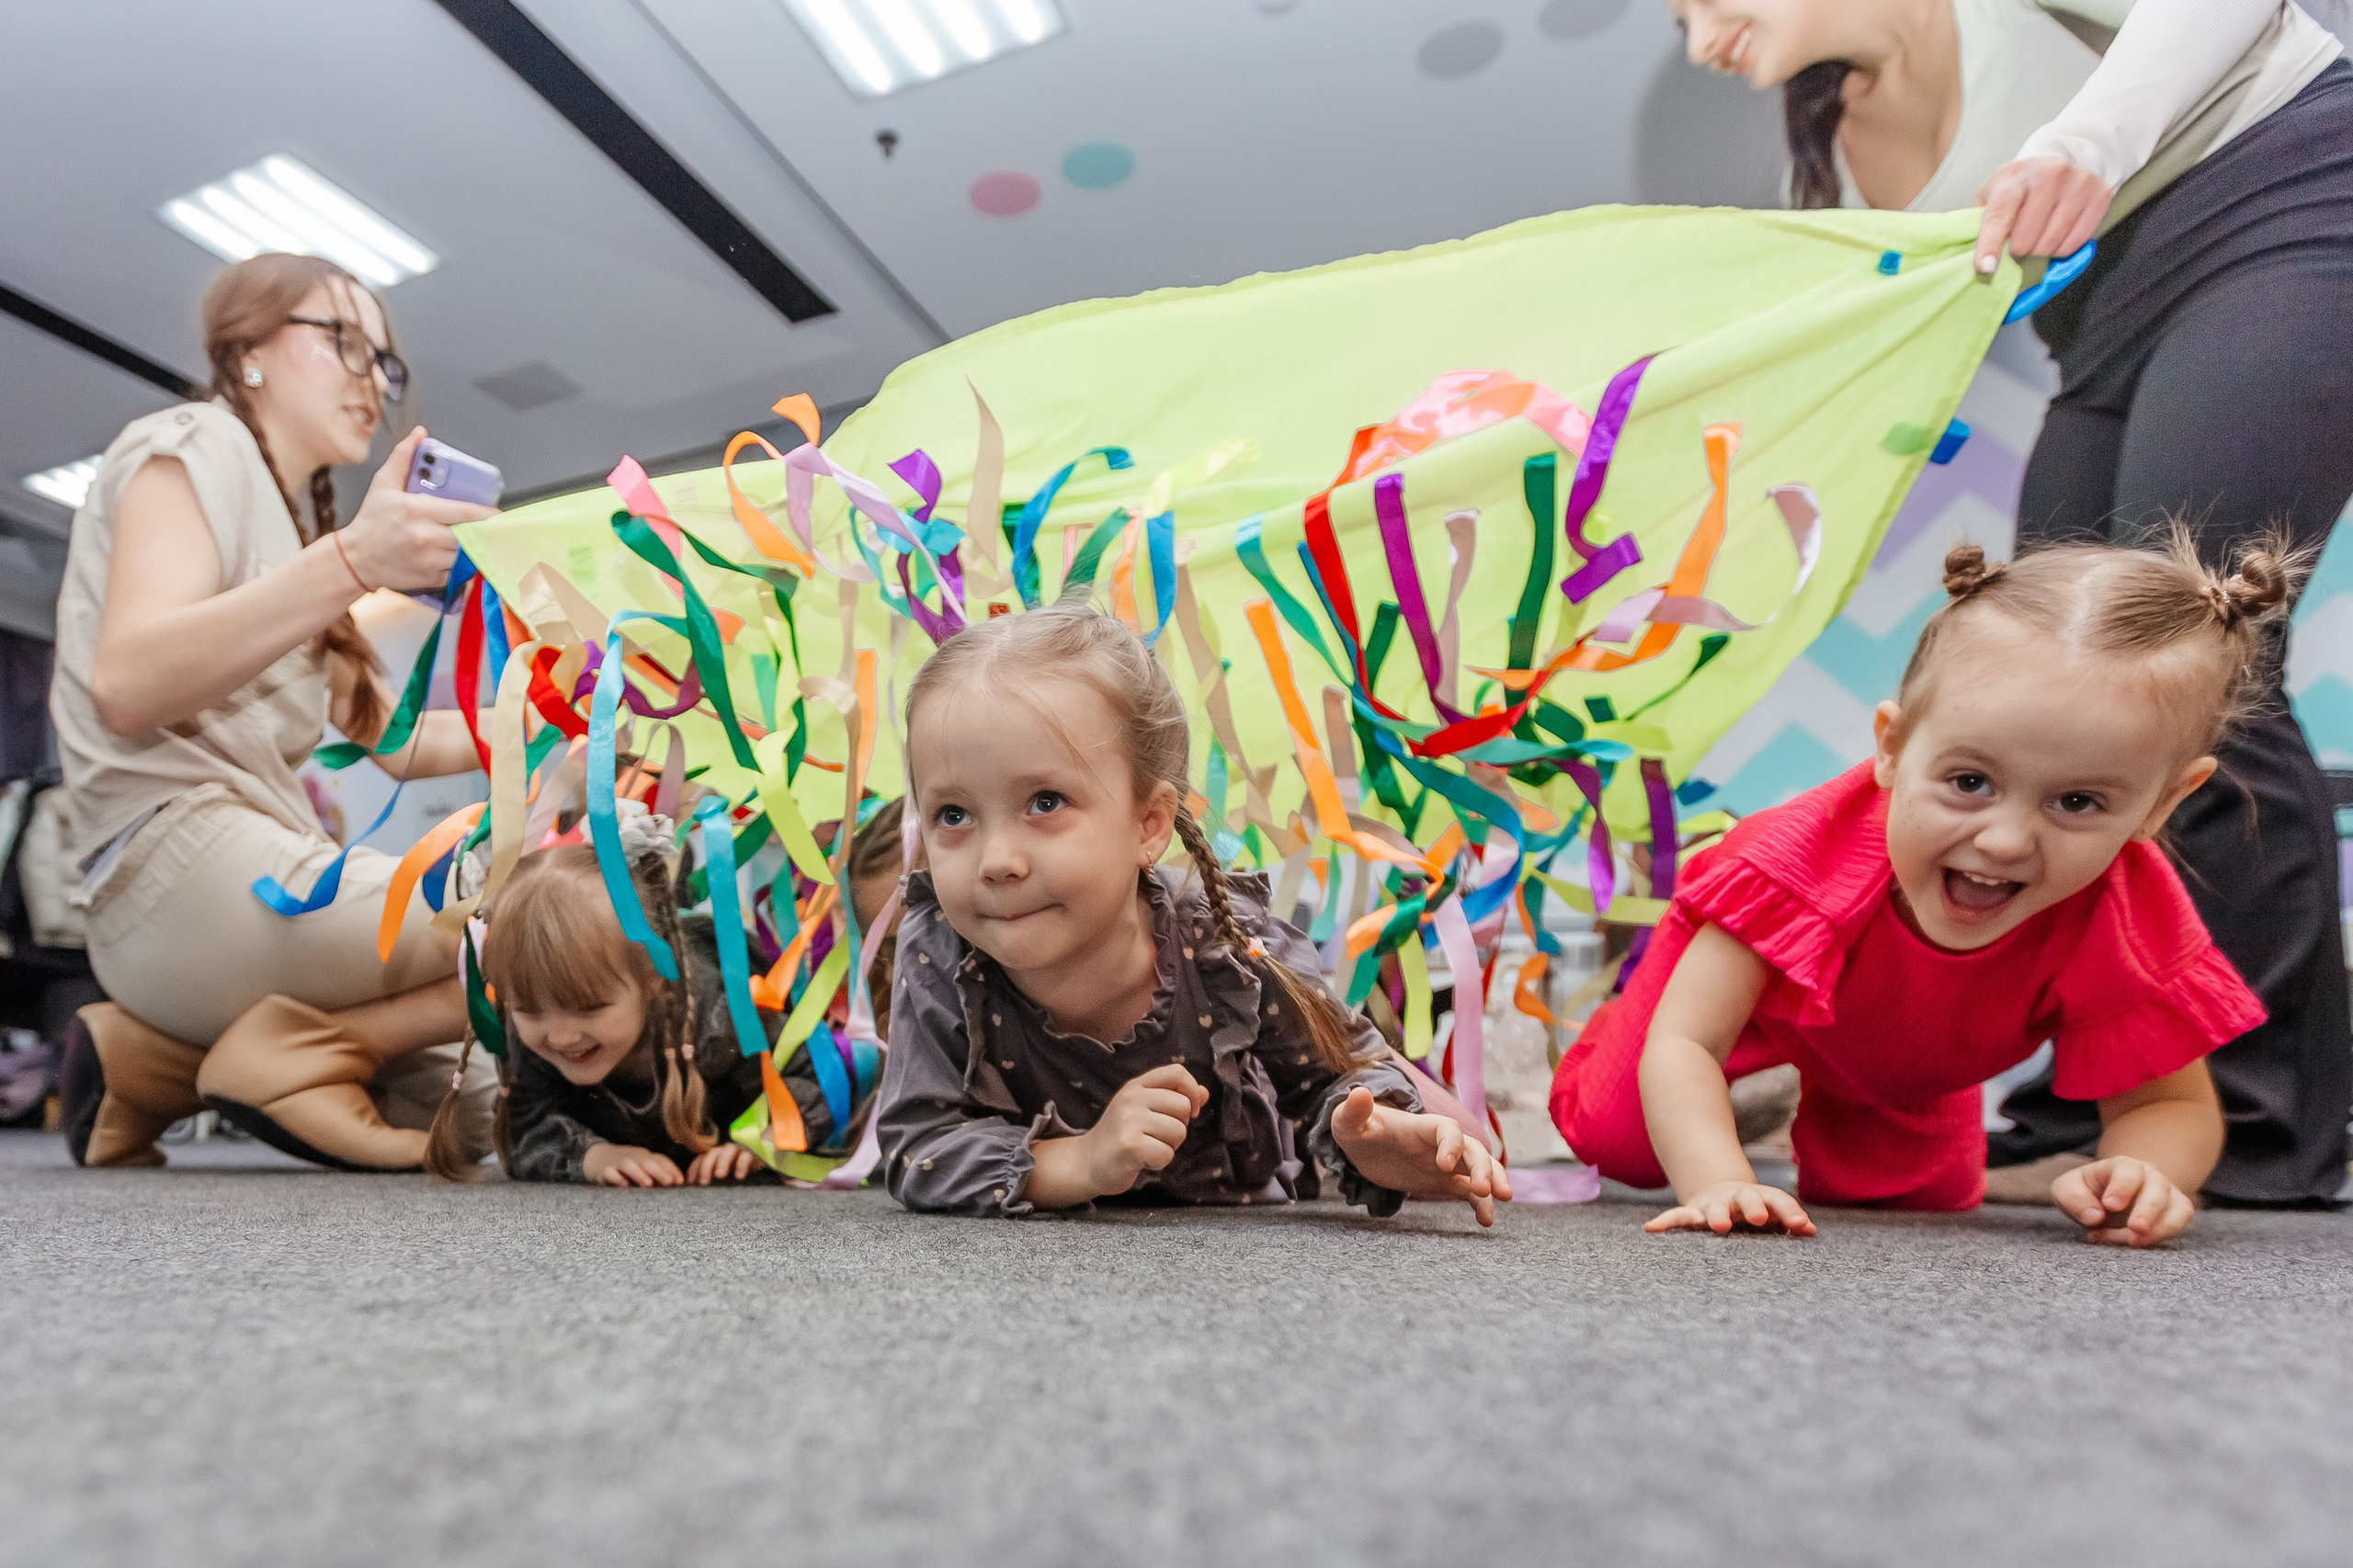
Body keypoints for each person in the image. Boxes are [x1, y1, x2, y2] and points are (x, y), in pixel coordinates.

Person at [1671, 0, 2353, 1204]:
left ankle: (2256, 1123)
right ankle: (2092, 1104)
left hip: (2282, 196)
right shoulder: (1824, 156)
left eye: (1705, 2)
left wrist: (2087, 140)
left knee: (2188, 674)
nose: (1700, 41)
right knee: (2066, 691)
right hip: (2106, 319)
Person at [1552, 538, 2292, 1245]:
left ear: (2164, 803)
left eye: (2077, 803)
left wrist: (2146, 1174)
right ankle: (1706, 1071)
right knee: (1625, 1144)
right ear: (1892, 747)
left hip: (1910, 1058)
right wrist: (1718, 1184)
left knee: (1912, 1208)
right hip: (1734, 994)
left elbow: (2168, 1104)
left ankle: (1811, 1097)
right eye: (1970, 783)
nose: (2005, 840)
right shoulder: (1793, 864)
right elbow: (1684, 1042)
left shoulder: (2124, 914)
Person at [51, 253, 500, 1171]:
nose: (373, 377)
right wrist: (352, 561)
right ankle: (275, 1054)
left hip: (236, 909)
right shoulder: (194, 439)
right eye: (343, 341)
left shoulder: (299, 540)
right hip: (172, 867)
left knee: (484, 1109)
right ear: (247, 351)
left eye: (385, 361)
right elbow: (128, 683)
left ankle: (154, 1062)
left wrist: (573, 719)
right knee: (540, 918)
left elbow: (404, 743)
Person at [875, 601, 1509, 1222]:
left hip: (1238, 1231)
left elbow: (1333, 1081)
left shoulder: (1224, 940)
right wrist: (1080, 1162)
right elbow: (918, 1147)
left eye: (1046, 802)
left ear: (1149, 824)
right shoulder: (940, 942)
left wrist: (1368, 1136)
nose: (997, 860)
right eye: (953, 815)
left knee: (1461, 1137)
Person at [436, 810, 856, 1186]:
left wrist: (765, 1141)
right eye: (528, 1010)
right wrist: (594, 1157)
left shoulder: (718, 1019)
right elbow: (523, 1127)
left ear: (654, 977)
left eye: (590, 1008)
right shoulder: (529, 1031)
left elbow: (813, 1078)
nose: (561, 1036)